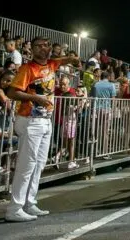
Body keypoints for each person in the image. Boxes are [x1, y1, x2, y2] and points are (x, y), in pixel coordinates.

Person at [5, 37, 79, 222]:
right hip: (30, 119)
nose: (44, 48)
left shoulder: (51, 65)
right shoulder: (27, 68)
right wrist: (36, 98)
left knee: (38, 164)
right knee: (26, 164)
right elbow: (12, 92)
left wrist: (72, 59)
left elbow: (64, 60)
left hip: (45, 119)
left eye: (47, 45)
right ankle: (15, 208)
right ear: (32, 49)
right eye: (40, 46)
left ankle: (29, 202)